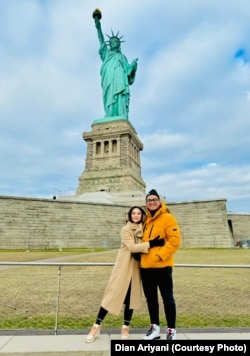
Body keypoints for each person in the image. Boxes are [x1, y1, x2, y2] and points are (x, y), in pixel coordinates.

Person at [85, 205, 165, 342]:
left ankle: (125, 327)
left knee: (131, 299)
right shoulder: (126, 229)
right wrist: (152, 244)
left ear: (142, 216)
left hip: (136, 268)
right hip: (124, 267)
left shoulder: (144, 229)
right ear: (129, 215)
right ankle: (96, 326)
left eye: (138, 213)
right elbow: (133, 247)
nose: (136, 215)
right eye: (133, 213)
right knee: (111, 295)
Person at [140, 189, 181, 340]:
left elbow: (175, 240)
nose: (151, 202)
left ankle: (171, 330)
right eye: (149, 200)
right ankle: (155, 328)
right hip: (146, 268)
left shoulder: (168, 218)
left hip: (162, 267)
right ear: (146, 203)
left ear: (159, 201)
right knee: (151, 299)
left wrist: (159, 256)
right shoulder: (145, 220)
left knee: (167, 298)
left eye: (154, 200)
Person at [93, 9, 138, 119]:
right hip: (108, 79)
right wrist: (98, 25)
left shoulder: (122, 57)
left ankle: (120, 114)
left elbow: (128, 72)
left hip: (120, 82)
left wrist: (133, 66)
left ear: (119, 45)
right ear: (110, 44)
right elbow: (101, 39)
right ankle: (110, 114)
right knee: (109, 96)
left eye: (116, 42)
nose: (114, 43)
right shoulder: (106, 53)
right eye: (112, 42)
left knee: (120, 96)